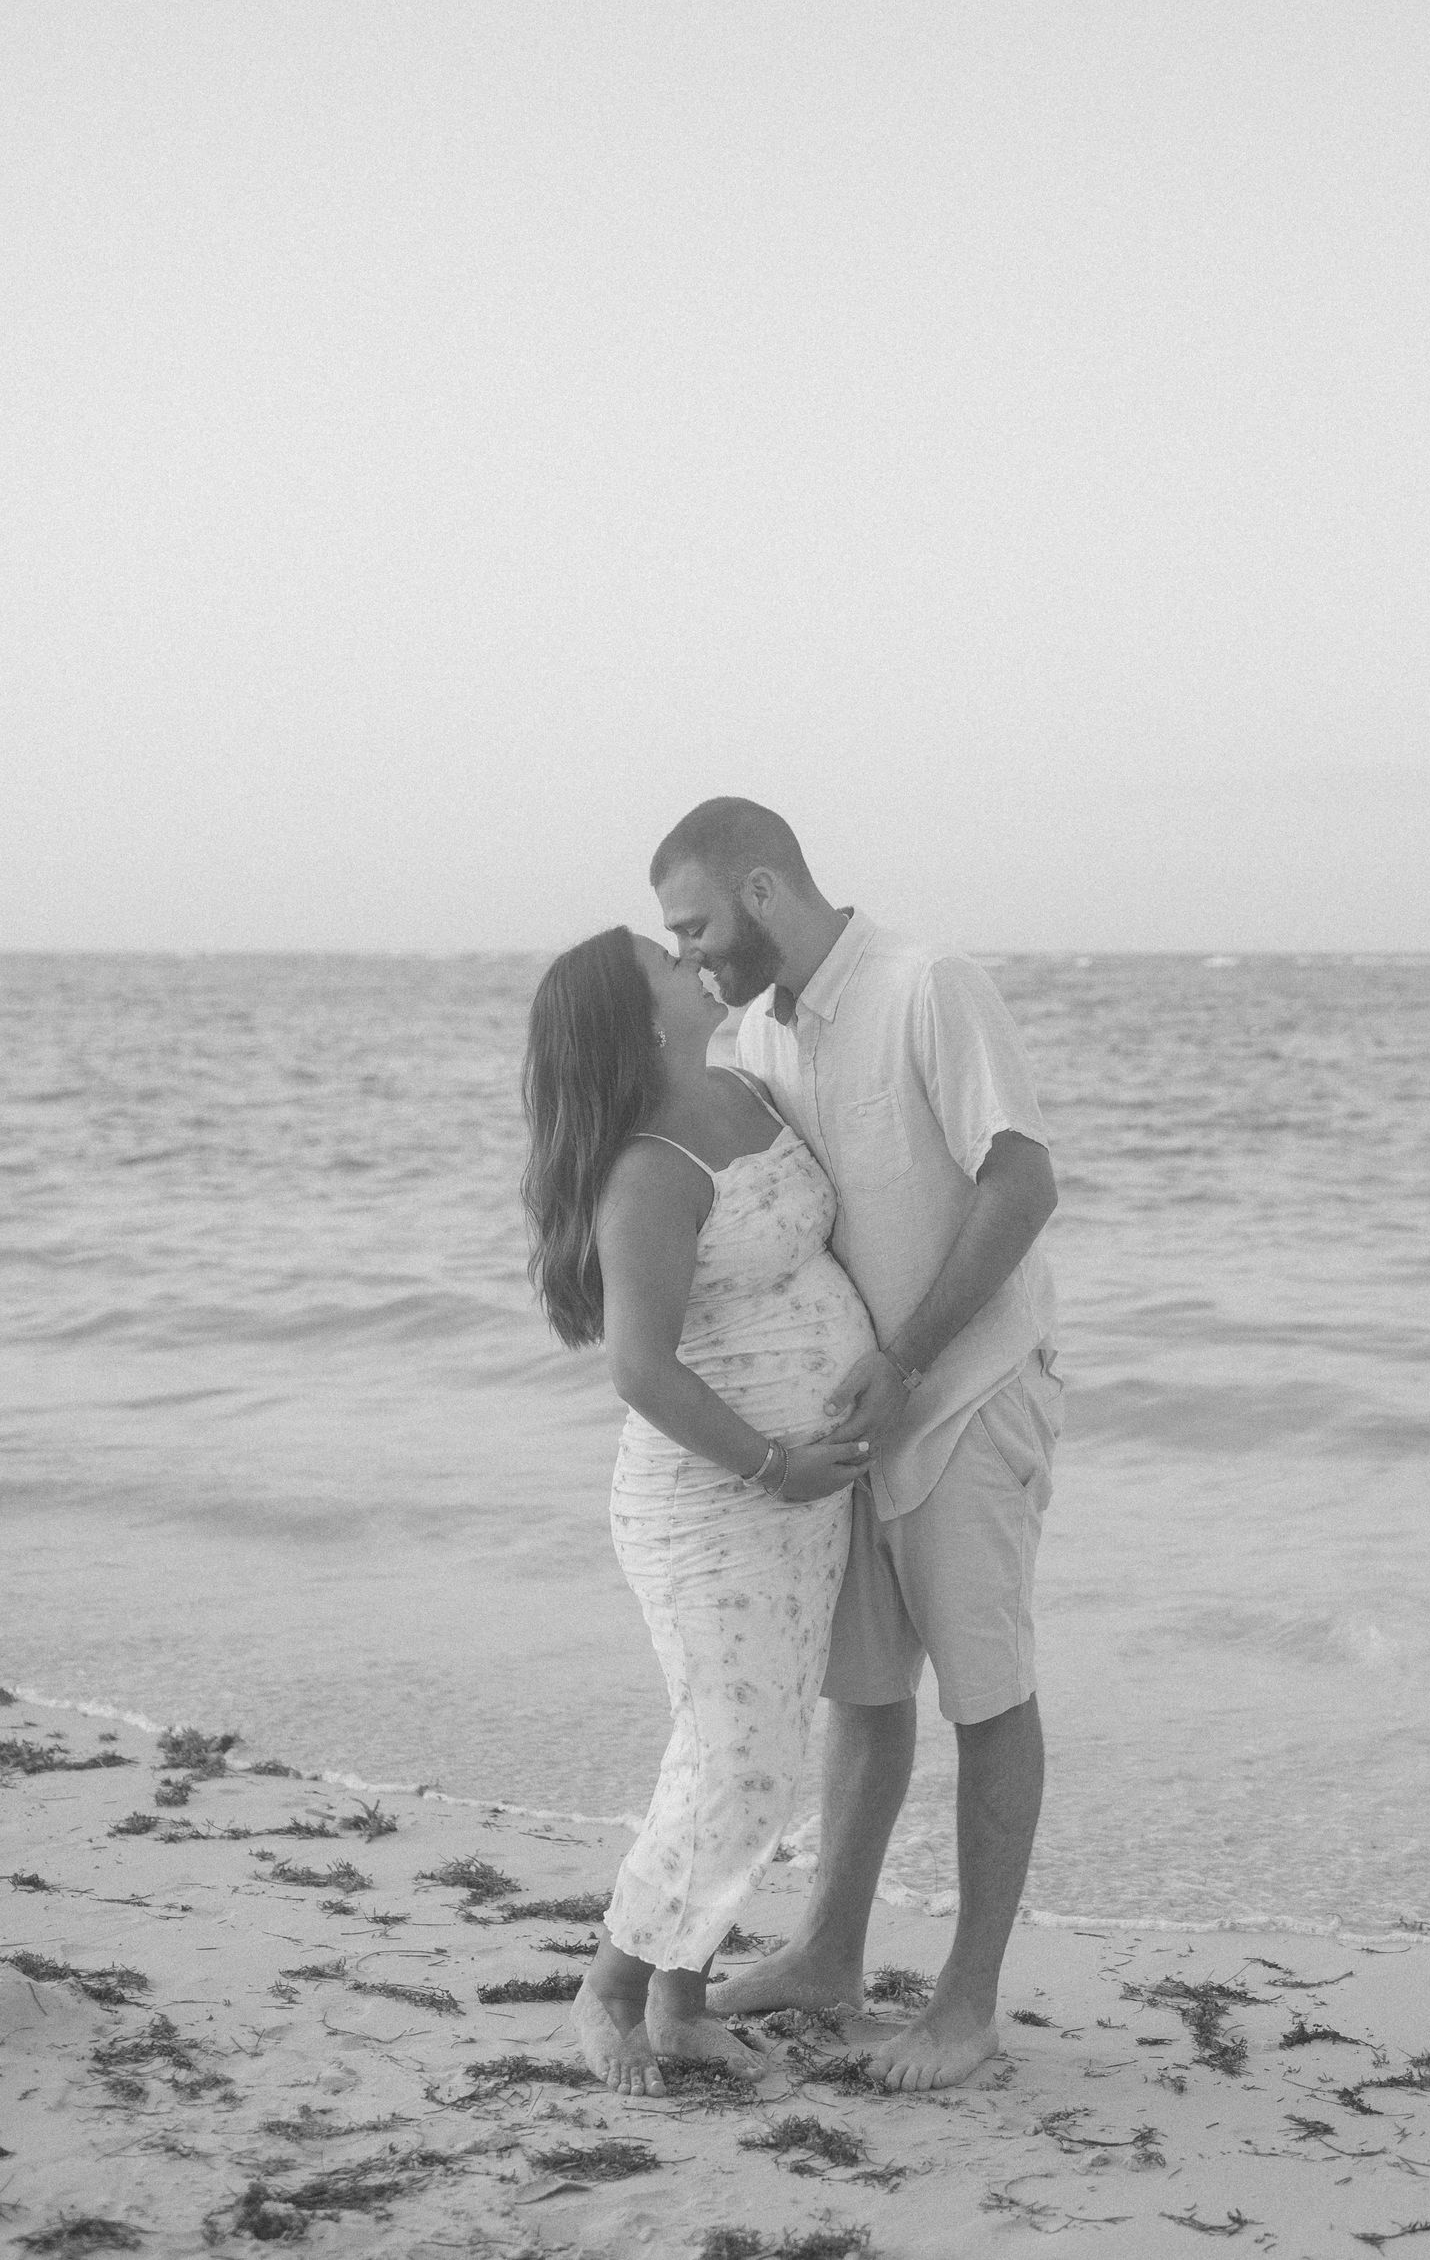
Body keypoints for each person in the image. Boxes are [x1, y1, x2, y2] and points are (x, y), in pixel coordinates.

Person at [650, 798, 1063, 2091]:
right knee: (865, 1691)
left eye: (696, 928)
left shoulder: (925, 986)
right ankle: (830, 1951)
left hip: (968, 1390)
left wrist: (909, 1358)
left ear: (763, 890)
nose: (688, 959)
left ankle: (966, 2005)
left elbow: (1022, 1180)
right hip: (853, 1430)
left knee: (985, 1692)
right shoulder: (756, 1035)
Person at [521, 926, 875, 2098]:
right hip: (712, 1505)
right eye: (663, 963)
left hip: (794, 1498)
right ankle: (612, 1986)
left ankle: (679, 1998)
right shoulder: (649, 1171)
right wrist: (774, 1464)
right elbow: (641, 1369)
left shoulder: (740, 1087)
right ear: (635, 1018)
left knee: (747, 1750)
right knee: (741, 1761)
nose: (691, 961)